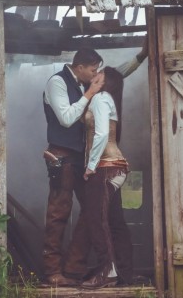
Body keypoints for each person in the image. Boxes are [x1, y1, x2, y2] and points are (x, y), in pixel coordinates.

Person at [42, 43, 147, 286]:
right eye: (93, 70)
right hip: (63, 157)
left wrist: (139, 57)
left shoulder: (88, 85)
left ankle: (74, 268)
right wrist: (90, 94)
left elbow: (113, 75)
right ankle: (52, 272)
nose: (97, 75)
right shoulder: (57, 82)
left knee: (92, 212)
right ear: (79, 67)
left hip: (84, 160)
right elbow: (67, 119)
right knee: (59, 213)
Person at [80, 67, 132, 289]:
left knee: (96, 219)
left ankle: (107, 272)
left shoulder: (101, 98)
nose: (94, 75)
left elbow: (101, 133)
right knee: (114, 221)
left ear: (105, 80)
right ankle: (124, 272)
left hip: (105, 167)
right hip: (116, 166)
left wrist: (90, 166)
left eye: (99, 73)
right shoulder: (108, 98)